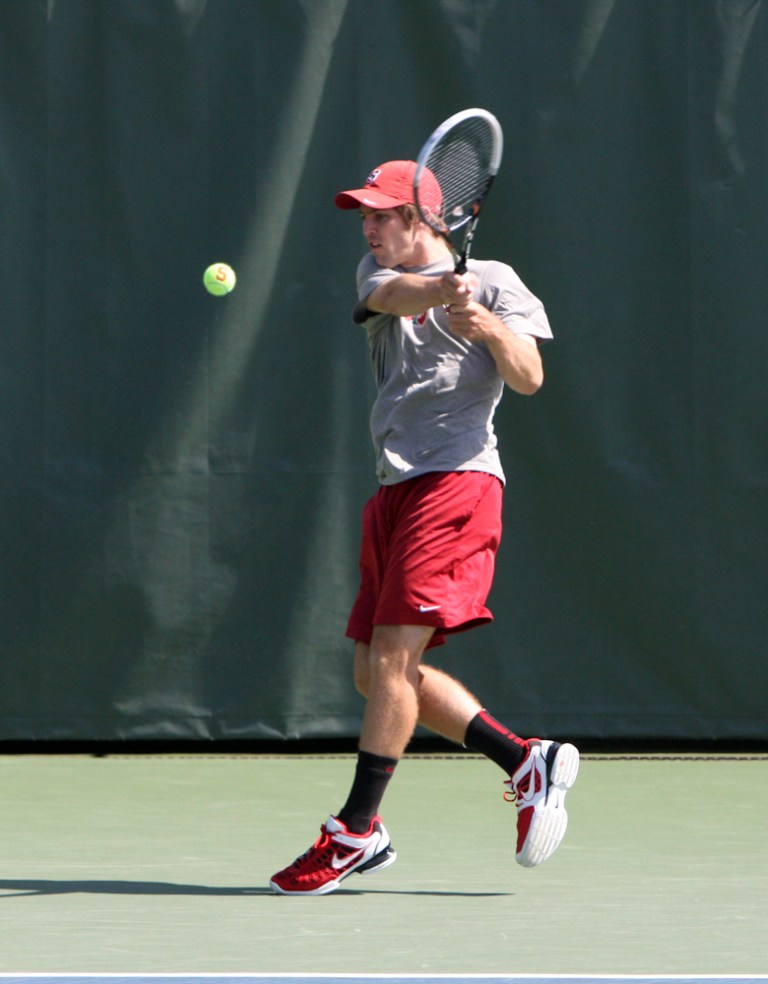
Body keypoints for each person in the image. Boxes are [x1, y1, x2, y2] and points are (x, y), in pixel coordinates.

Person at [269, 159, 579, 896]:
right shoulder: (377, 278)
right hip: (394, 491)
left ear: (426, 218)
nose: (369, 228)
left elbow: (529, 376)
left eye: (381, 215)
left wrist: (488, 324)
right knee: (372, 671)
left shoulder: (498, 280)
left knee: (391, 663)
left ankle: (354, 830)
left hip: (460, 482)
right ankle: (523, 760)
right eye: (365, 216)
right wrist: (444, 292)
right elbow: (399, 293)